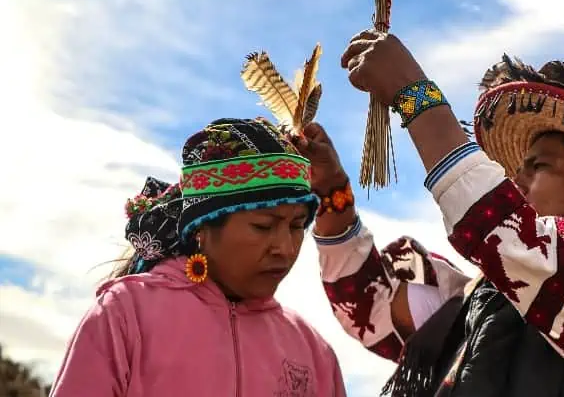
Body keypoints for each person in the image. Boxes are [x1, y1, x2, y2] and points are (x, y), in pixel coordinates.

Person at [298, 31, 564, 397]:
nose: (517, 181)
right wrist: (333, 193)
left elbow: (506, 232)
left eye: (541, 166)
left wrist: (414, 93)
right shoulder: (479, 299)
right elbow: (371, 307)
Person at [50, 117, 346, 397]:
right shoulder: (126, 315)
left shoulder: (312, 352)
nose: (285, 247)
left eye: (297, 226)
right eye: (263, 226)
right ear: (203, 227)